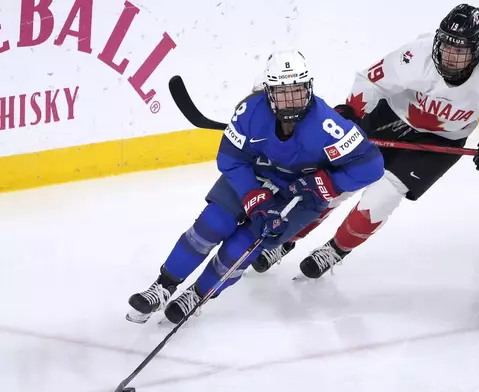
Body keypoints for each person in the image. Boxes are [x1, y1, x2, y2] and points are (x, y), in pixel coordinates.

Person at [251, 3, 479, 279]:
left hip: (442, 141)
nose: (450, 56)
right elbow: (370, 79)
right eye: (447, 46)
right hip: (390, 117)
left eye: (460, 51)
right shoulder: (415, 56)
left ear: (477, 50)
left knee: (382, 197)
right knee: (334, 183)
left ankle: (335, 251)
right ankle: (286, 238)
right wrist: (352, 112)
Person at [125, 50, 385, 324]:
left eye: (297, 91)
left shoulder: (327, 124)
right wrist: (253, 196)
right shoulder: (250, 110)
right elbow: (230, 159)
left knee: (242, 247)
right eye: (283, 92)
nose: (291, 100)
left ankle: (197, 295)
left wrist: (325, 184)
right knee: (211, 224)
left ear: (309, 87)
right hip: (255, 175)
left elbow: (371, 166)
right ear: (268, 91)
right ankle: (163, 286)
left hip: (301, 194)